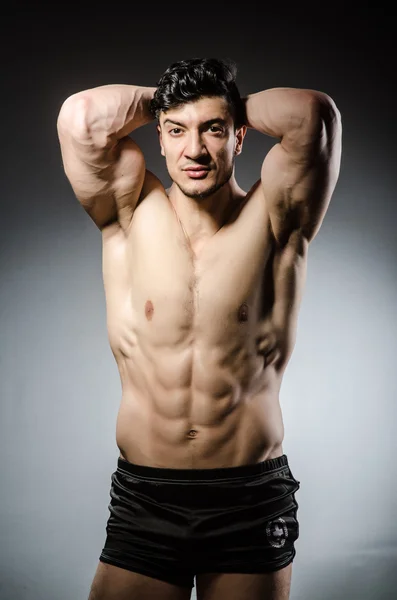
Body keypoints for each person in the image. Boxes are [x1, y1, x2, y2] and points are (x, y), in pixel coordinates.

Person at [57, 57, 342, 600]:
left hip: (248, 497)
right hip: (148, 498)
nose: (194, 150)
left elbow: (312, 114)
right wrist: (168, 99)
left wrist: (224, 101)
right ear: (159, 139)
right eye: (176, 131)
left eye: (213, 129)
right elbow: (82, 116)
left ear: (239, 137)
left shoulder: (276, 217)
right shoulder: (127, 211)